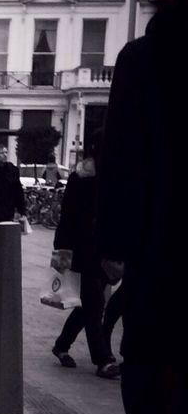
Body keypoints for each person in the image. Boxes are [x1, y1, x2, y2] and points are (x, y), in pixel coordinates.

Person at [97, 0, 188, 414]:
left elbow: (121, 159)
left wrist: (115, 245)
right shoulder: (145, 59)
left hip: (164, 250)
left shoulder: (146, 58)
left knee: (148, 364)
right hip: (160, 247)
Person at [49, 147, 121, 379]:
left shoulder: (113, 176)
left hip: (104, 250)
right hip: (82, 249)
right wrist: (61, 247)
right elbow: (68, 214)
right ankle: (103, 360)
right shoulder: (80, 177)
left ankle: (61, 345)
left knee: (87, 306)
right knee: (95, 304)